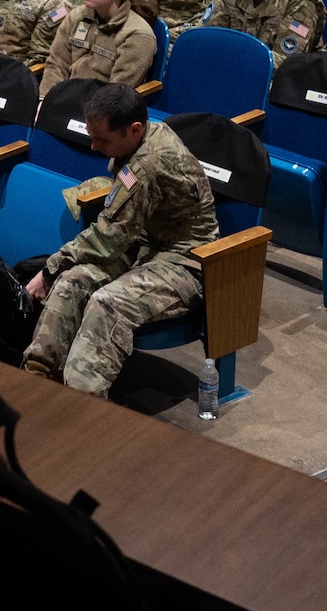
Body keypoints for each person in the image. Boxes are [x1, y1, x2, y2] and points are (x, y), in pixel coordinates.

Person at [20, 83, 218, 397]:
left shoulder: (149, 164)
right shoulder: (139, 142)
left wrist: (48, 268)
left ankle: (81, 402)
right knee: (71, 282)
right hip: (143, 245)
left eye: (102, 139)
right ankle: (36, 378)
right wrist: (57, 271)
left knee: (107, 302)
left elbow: (107, 239)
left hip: (186, 261)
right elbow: (116, 230)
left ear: (134, 130)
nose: (93, 148)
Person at [39, 0, 158, 97]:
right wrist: (44, 100)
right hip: (64, 99)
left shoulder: (137, 35)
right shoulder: (77, 16)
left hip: (100, 111)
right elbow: (56, 64)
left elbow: (117, 92)